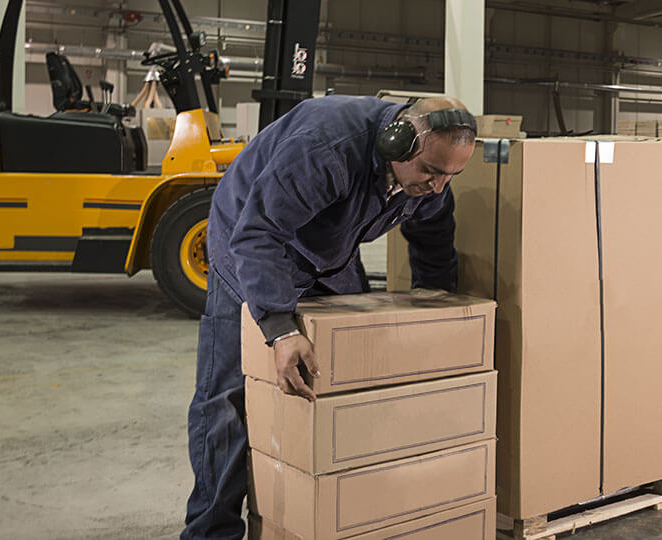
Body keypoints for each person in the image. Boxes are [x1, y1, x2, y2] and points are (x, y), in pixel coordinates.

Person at [181, 94, 477, 540]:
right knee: (228, 399)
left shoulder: (429, 176)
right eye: (432, 172)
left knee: (352, 377)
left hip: (327, 253)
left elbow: (433, 238)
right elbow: (258, 234)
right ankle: (211, 530)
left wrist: (436, 310)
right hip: (248, 243)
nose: (439, 186)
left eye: (451, 176)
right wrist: (279, 329)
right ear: (396, 143)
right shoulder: (324, 149)